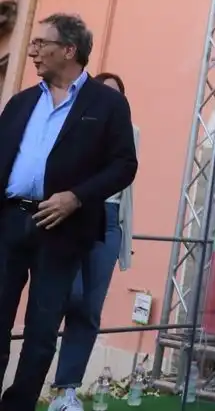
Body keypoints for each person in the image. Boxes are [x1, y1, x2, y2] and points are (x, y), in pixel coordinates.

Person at [0, 13, 137, 411]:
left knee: (42, 330)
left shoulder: (108, 104)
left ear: (69, 50)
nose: (33, 51)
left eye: (41, 43)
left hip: (63, 227)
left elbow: (124, 165)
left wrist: (76, 197)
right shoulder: (21, 101)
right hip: (10, 221)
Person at [48, 72, 138, 411]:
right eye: (104, 92)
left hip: (110, 219)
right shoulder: (72, 125)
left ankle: (66, 390)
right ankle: (36, 379)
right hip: (74, 213)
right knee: (66, 296)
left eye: (117, 95)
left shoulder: (131, 132)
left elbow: (127, 185)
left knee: (89, 308)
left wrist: (123, 233)